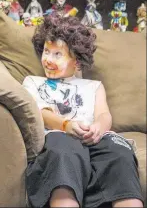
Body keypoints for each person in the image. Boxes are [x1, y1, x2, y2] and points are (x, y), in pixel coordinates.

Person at [23, 15, 143, 208]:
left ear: (77, 62)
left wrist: (99, 128)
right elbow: (39, 113)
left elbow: (104, 115)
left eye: (57, 54)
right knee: (63, 150)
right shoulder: (33, 83)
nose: (48, 59)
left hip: (94, 138)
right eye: (46, 51)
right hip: (60, 136)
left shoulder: (93, 86)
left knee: (119, 151)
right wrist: (66, 125)